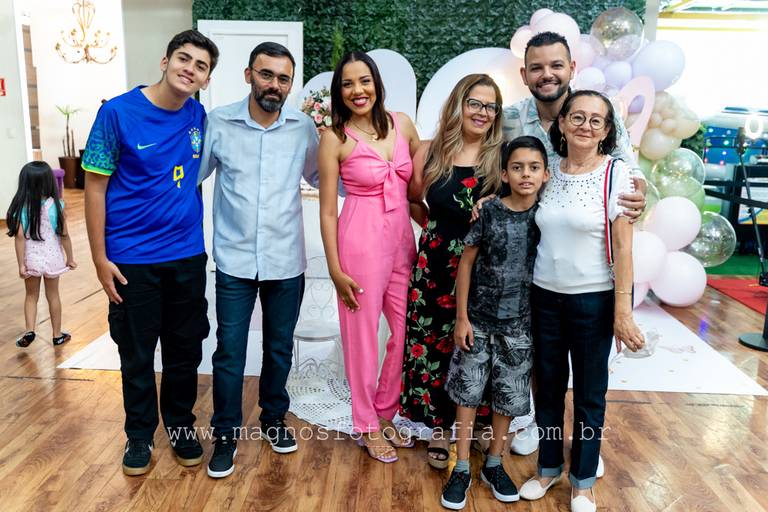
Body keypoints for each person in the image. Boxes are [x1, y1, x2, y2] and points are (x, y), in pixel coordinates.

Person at [501, 30, 647, 457]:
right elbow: (494, 167)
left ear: (572, 68)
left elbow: (631, 175)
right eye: (537, 67)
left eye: (556, 65)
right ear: (524, 74)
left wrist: (638, 194)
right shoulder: (510, 119)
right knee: (543, 366)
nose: (547, 74)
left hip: (589, 273)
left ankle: (585, 456)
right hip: (536, 260)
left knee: (588, 379)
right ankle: (540, 431)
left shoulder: (598, 115)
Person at [82, 30, 219, 476]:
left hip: (186, 255)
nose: (189, 69)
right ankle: (139, 435)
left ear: (206, 79)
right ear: (165, 61)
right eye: (184, 58)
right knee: (137, 353)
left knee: (185, 349)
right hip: (131, 259)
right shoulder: (117, 113)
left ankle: (180, 427)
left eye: (200, 66)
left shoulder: (198, 115)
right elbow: (95, 188)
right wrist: (100, 259)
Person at [517, 90, 644, 512]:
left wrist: (622, 311)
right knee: (548, 390)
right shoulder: (548, 170)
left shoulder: (616, 175)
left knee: (590, 395)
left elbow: (623, 248)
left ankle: (583, 481)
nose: (585, 126)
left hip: (593, 301)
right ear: (562, 123)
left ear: (607, 131)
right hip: (543, 298)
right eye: (577, 117)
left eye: (596, 120)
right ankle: (548, 467)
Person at [199, 42, 320, 479]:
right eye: (266, 75)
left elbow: (319, 176)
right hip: (234, 260)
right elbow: (192, 178)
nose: (274, 85)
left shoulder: (303, 128)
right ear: (249, 75)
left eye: (283, 78)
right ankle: (225, 435)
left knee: (279, 347)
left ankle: (273, 419)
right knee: (229, 352)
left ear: (291, 84)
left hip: (286, 260)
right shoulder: (219, 122)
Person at [319, 51, 421, 463]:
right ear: (338, 91)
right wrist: (334, 268)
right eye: (347, 84)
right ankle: (365, 424)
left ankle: (384, 410)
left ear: (377, 84)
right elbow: (328, 210)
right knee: (361, 337)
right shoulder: (335, 138)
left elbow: (422, 182)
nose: (357, 90)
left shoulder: (403, 124)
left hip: (402, 242)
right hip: (358, 241)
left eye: (364, 81)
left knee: (408, 330)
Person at [399, 74, 504, 469]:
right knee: (435, 345)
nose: (482, 112)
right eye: (475, 103)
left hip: (484, 268)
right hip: (435, 266)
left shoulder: (501, 156)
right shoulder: (430, 151)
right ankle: (440, 429)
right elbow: (413, 199)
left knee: (478, 346)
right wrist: (435, 230)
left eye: (490, 106)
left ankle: (474, 426)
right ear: (458, 104)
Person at [440, 137, 548, 510]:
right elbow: (466, 262)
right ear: (504, 174)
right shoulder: (489, 211)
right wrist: (462, 317)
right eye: (517, 167)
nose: (525, 174)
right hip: (478, 321)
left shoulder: (546, 218)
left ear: (546, 174)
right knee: (467, 393)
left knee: (508, 397)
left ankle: (494, 463)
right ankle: (461, 466)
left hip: (520, 326)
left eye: (534, 167)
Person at [7, 161, 76, 348]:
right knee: (53, 296)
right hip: (53, 258)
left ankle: (30, 331)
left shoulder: (22, 207)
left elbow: (19, 237)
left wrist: (21, 264)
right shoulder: (57, 205)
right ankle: (57, 335)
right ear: (49, 182)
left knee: (31, 296)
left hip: (32, 259)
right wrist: (70, 258)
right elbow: (64, 234)